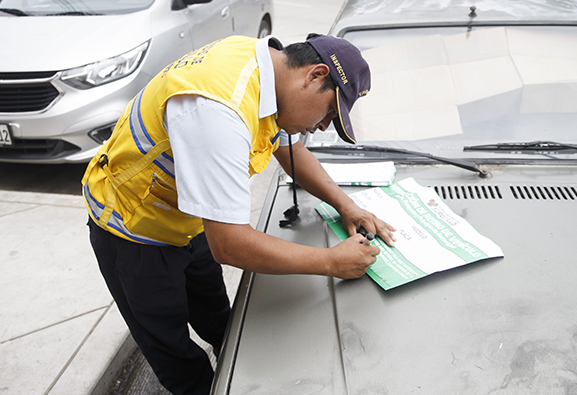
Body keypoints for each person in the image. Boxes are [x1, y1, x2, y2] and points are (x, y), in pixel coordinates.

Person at [82, 33, 396, 394]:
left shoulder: (270, 76)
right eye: (329, 112)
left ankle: (229, 368)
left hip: (190, 217)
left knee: (217, 316)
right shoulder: (219, 110)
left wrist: (346, 205)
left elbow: (288, 150)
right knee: (172, 348)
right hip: (133, 230)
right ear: (314, 75)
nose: (322, 126)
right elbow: (230, 245)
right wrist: (331, 262)